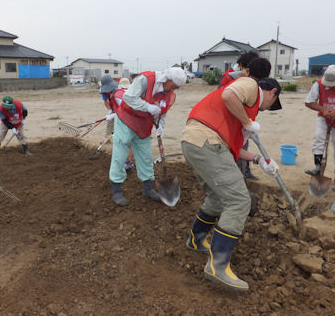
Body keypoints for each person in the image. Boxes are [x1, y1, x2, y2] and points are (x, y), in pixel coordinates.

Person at [181, 73, 282, 291]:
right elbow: (228, 95)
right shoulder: (251, 86)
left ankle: (196, 240)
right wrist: (248, 122)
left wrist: (259, 159)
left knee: (217, 199)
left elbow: (234, 150)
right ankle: (217, 267)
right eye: (272, 103)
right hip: (207, 141)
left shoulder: (242, 112)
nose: (264, 109)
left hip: (195, 142)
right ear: (273, 92)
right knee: (239, 201)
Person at [109, 67, 187, 206]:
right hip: (126, 119)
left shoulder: (169, 93)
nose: (173, 89)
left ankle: (148, 189)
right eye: (173, 86)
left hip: (144, 125)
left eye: (177, 88)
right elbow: (128, 97)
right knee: (120, 155)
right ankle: (117, 191)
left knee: (145, 156)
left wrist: (161, 125)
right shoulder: (145, 80)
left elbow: (163, 111)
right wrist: (147, 107)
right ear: (167, 79)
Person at [304, 65, 335, 185]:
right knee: (318, 138)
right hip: (325, 119)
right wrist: (323, 110)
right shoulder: (319, 84)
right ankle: (318, 168)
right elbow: (309, 102)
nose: (331, 87)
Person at [219, 52, 261, 180]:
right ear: (242, 65)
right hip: (231, 121)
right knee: (234, 150)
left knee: (244, 145)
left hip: (243, 120)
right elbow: (223, 97)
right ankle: (237, 178)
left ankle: (245, 171)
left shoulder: (251, 78)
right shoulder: (229, 77)